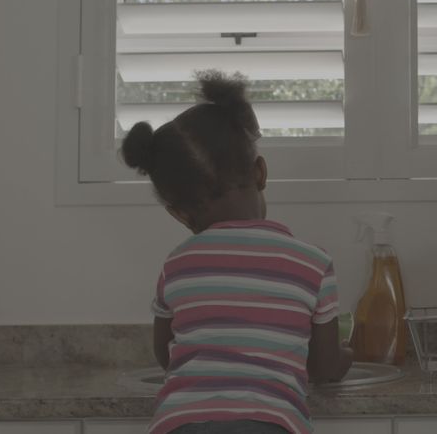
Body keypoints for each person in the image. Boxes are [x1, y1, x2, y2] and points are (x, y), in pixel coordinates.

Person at [122, 71, 352, 434]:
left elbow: (166, 354)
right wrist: (345, 360)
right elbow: (322, 369)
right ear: (260, 172)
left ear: (178, 213)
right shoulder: (312, 264)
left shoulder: (178, 265)